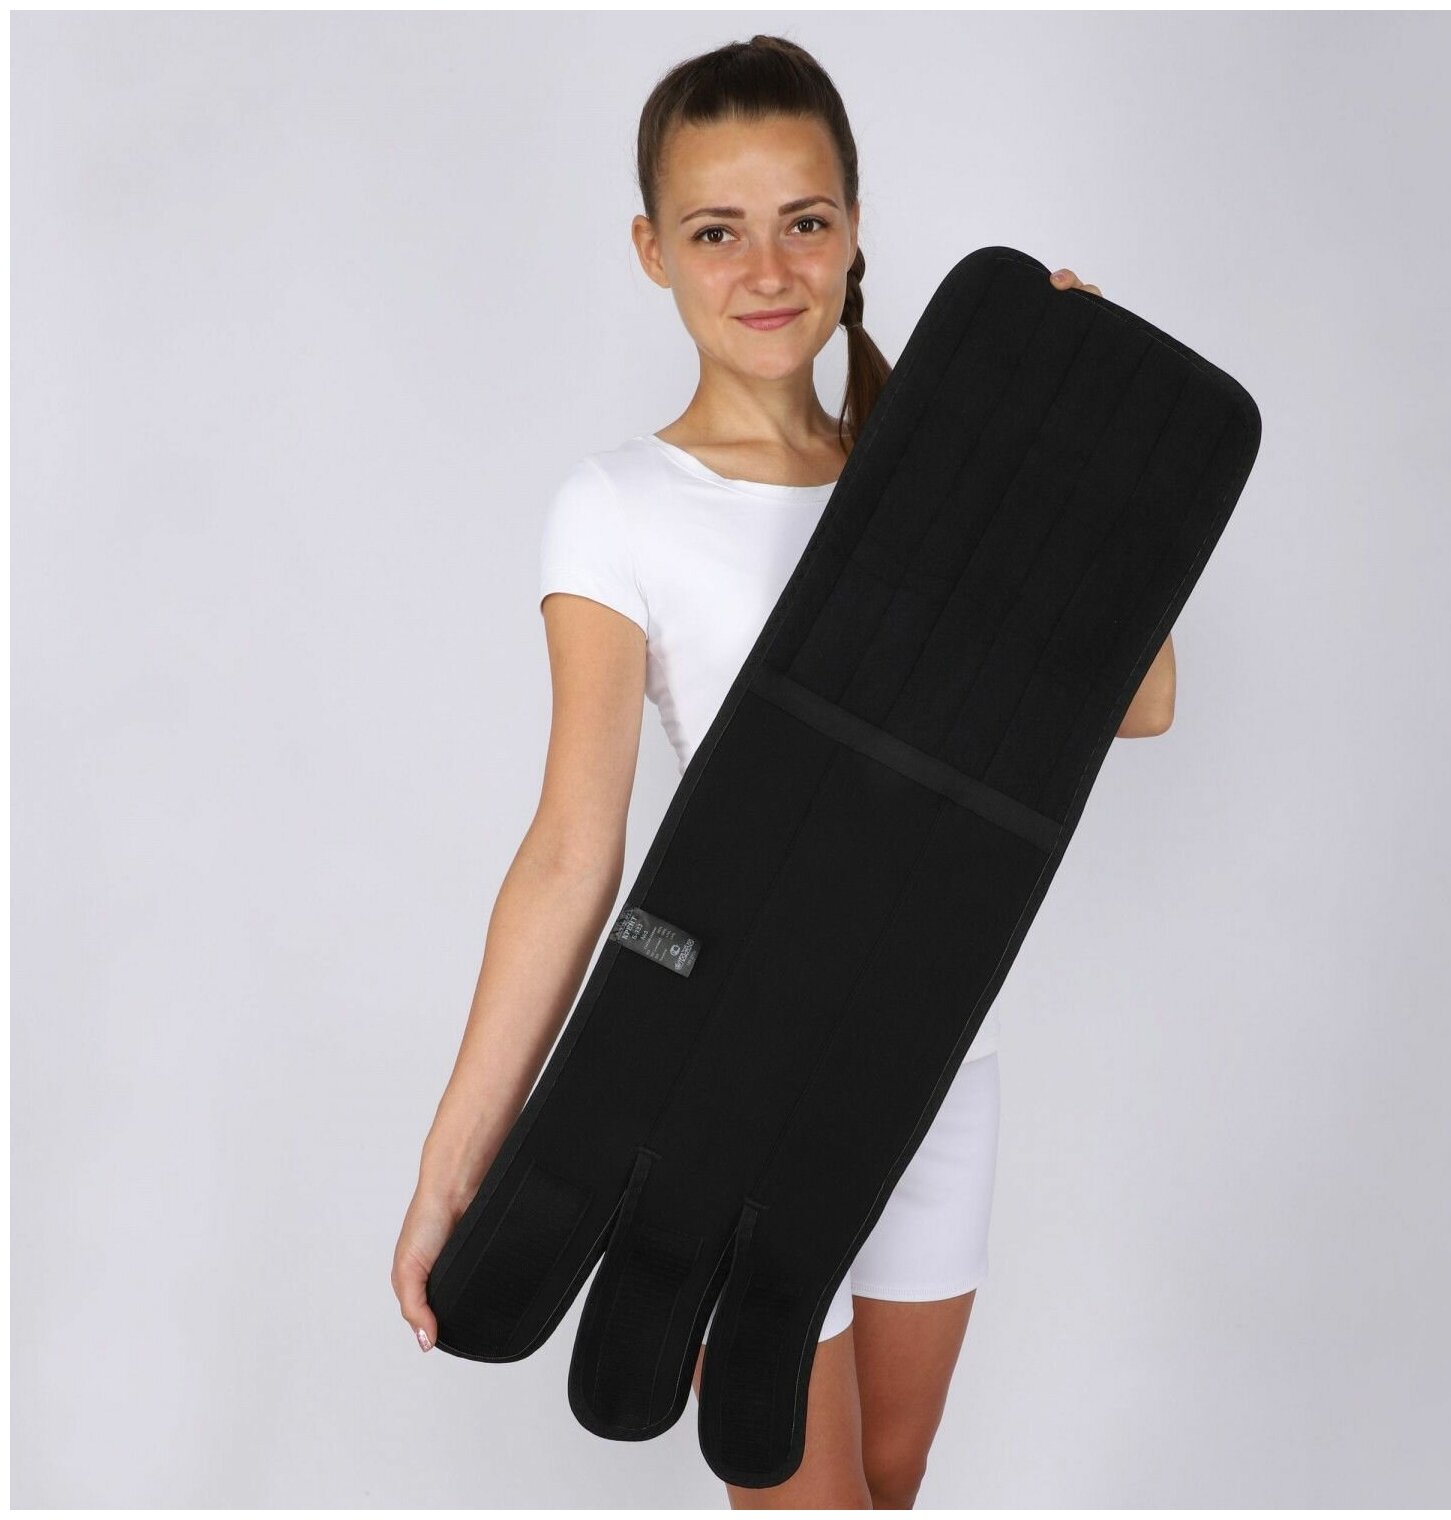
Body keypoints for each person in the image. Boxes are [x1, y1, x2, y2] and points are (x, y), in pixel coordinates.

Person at [392, 33, 1176, 1510]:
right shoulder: (620, 506)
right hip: (733, 1083)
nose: (766, 269)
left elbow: (1136, 703)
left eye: (803, 221)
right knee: (798, 1495)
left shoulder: (930, 468)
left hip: (937, 1061)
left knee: (891, 1476)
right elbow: (572, 848)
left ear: (855, 229)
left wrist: (1065, 454)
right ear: (652, 251)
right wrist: (455, 1162)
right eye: (716, 231)